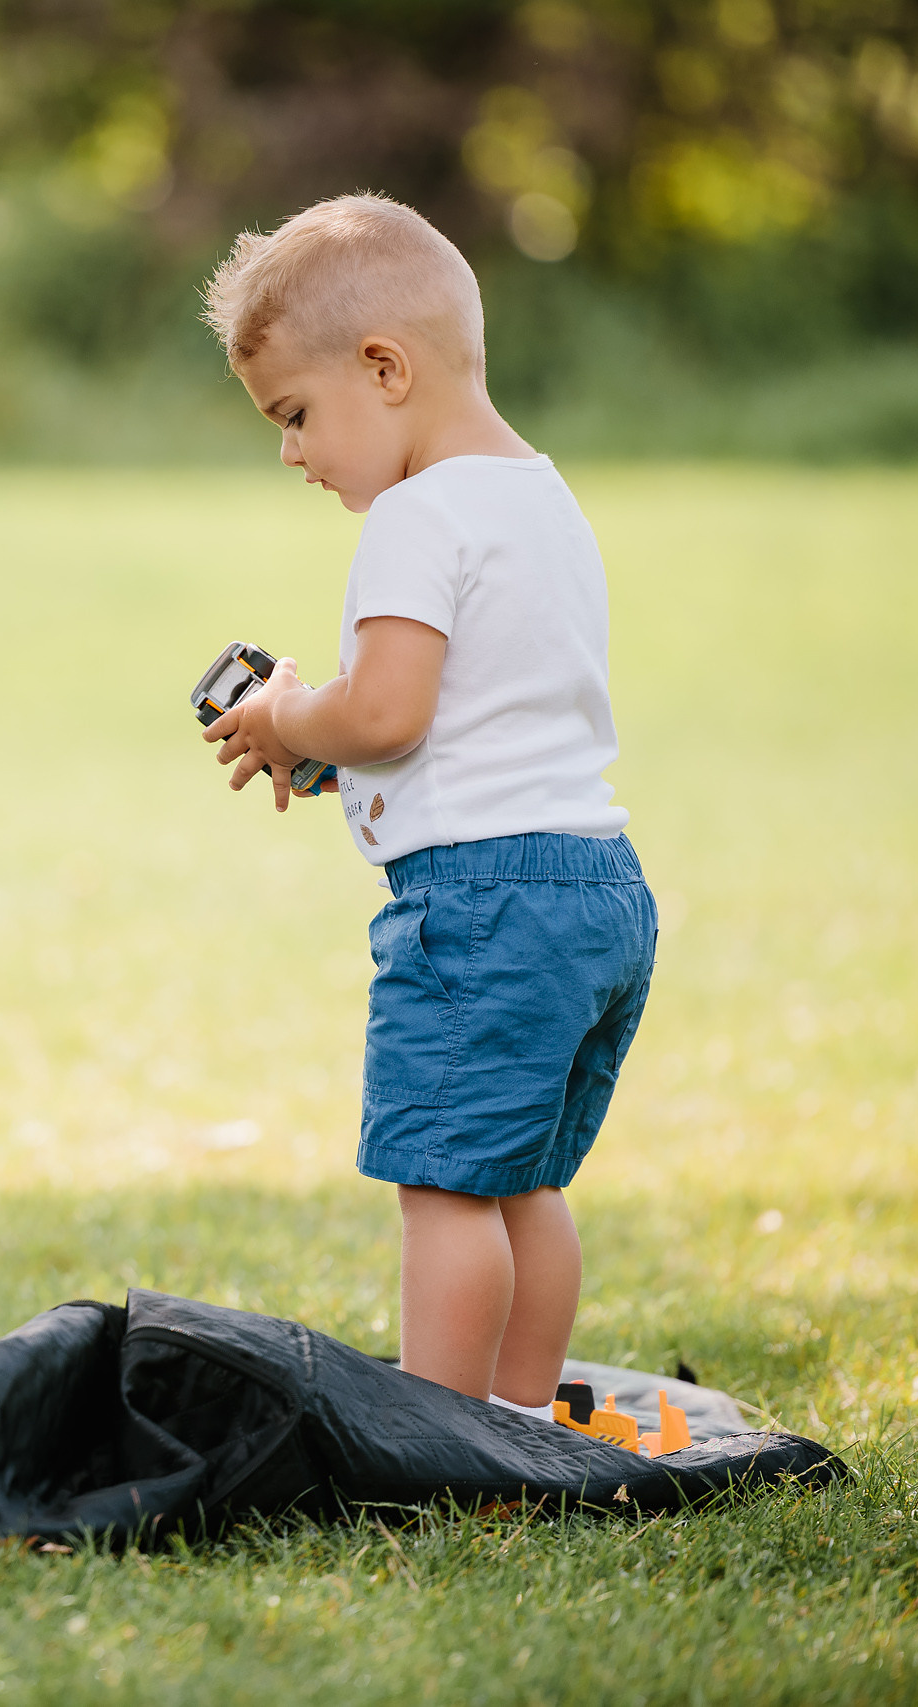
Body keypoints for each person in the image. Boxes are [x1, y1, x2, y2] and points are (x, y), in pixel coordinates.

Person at [196, 194, 657, 1421]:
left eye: (295, 416)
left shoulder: (414, 513)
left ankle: (439, 1441)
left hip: (482, 907)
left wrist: (292, 718)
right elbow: (478, 722)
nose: (292, 454)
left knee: (444, 1187)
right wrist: (330, 757)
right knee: (522, 1186)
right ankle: (512, 1428)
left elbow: (391, 711)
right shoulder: (544, 499)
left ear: (384, 369)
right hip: (593, 892)